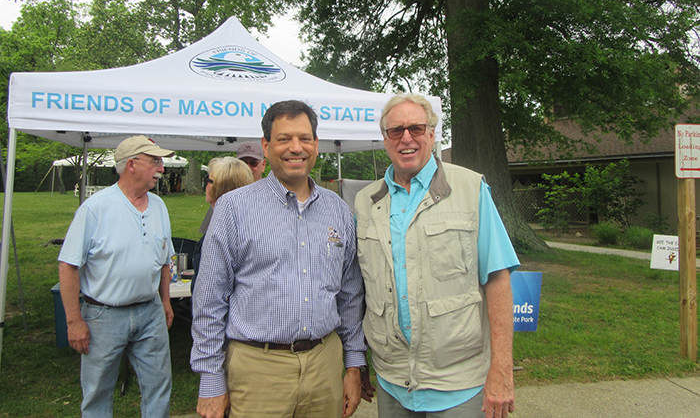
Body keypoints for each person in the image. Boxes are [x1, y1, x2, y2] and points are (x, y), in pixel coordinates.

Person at [191, 100, 371, 418]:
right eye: (284, 138)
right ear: (266, 145)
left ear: (316, 145)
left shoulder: (339, 210)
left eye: (304, 138)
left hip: (324, 366)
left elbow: (350, 294)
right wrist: (211, 380)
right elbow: (209, 300)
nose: (295, 148)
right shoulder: (233, 209)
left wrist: (354, 363)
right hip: (257, 370)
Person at [354, 94, 521, 418]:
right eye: (395, 131)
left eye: (416, 128)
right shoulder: (365, 202)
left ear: (432, 134)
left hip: (458, 383)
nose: (406, 138)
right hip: (392, 381)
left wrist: (502, 369)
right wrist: (358, 362)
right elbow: (359, 290)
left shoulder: (471, 189)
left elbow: (498, 278)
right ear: (385, 140)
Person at [57, 135, 177, 418]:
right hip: (104, 316)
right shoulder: (96, 208)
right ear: (131, 165)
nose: (161, 168)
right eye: (155, 161)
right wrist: (74, 321)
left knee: (159, 385)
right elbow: (68, 265)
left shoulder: (159, 206)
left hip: (150, 311)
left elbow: (163, 261)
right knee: (98, 390)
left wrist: (165, 302)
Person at [191, 157, 254, 291]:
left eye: (208, 180)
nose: (205, 185)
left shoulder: (227, 229)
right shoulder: (244, 221)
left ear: (221, 186)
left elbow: (212, 288)